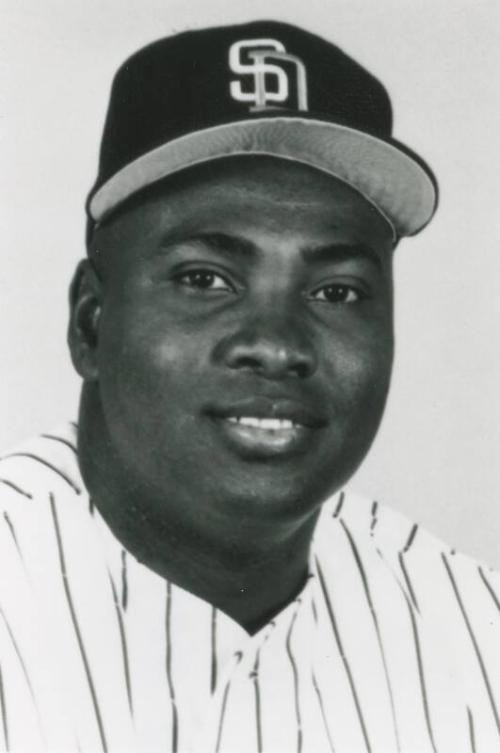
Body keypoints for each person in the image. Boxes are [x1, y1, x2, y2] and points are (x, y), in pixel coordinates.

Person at [0, 18, 498, 753]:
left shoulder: (475, 627)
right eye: (205, 278)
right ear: (91, 324)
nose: (276, 344)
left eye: (337, 292)